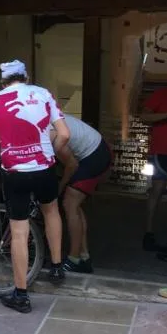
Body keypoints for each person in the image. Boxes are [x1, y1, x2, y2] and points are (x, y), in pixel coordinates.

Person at [0, 60, 70, 314]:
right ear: (26, 76)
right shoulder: (43, 94)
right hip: (43, 167)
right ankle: (55, 267)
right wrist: (49, 155)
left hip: (14, 171)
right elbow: (64, 134)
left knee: (19, 232)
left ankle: (21, 295)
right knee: (51, 210)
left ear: (3, 81)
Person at [51, 114, 113, 273]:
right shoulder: (42, 118)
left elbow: (71, 165)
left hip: (95, 156)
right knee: (75, 207)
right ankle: (84, 257)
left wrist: (61, 187)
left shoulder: (50, 133)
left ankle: (74, 259)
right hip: (95, 150)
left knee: (69, 203)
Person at [140, 86, 167, 251]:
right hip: (160, 152)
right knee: (157, 189)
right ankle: (149, 233)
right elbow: (144, 116)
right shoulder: (161, 93)